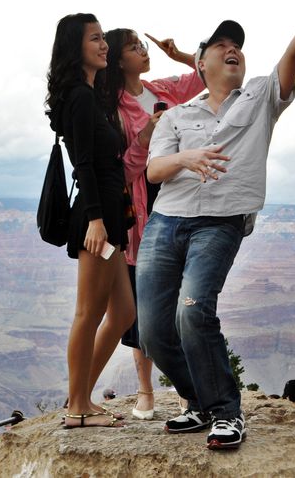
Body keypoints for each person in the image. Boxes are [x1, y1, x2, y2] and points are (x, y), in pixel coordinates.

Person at [137, 0, 295, 450]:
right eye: (221, 46)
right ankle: (198, 402)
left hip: (220, 224)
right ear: (202, 62)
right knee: (150, 330)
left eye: (239, 47)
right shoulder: (180, 114)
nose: (234, 49)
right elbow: (152, 172)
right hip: (166, 223)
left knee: (192, 312)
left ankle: (227, 413)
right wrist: (187, 157)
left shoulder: (261, 99)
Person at [100, 27, 205, 421]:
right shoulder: (112, 105)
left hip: (175, 200)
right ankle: (145, 390)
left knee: (177, 303)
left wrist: (178, 54)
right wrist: (145, 136)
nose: (144, 52)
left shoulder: (160, 89)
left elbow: (205, 74)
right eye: (134, 47)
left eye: (142, 46)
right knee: (142, 307)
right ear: (118, 59)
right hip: (137, 213)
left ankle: (185, 389)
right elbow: (120, 172)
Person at [46, 13, 135, 429]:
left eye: (104, 38)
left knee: (123, 313)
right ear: (75, 46)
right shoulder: (80, 98)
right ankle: (77, 407)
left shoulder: (90, 94)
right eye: (96, 39)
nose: (104, 45)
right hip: (96, 216)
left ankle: (81, 397)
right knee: (89, 313)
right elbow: (84, 163)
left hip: (111, 216)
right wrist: (97, 222)